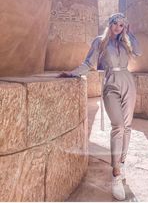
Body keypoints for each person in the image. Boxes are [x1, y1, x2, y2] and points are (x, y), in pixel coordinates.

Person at [58, 12, 142, 201]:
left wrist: (130, 33)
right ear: (109, 24)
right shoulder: (100, 41)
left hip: (128, 82)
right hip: (111, 83)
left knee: (127, 127)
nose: (117, 28)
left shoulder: (126, 42)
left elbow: (138, 52)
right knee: (118, 125)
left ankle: (122, 162)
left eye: (121, 25)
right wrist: (72, 74)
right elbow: (89, 63)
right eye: (115, 24)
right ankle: (115, 174)